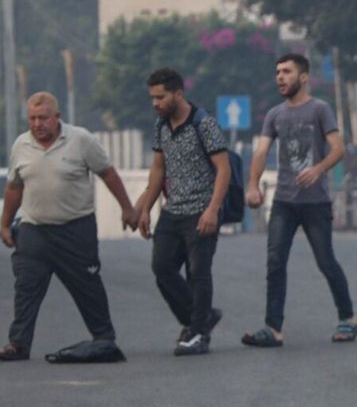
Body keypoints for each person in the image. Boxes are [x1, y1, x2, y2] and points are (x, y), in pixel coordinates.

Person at [0, 93, 137, 361]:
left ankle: (104, 338)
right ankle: (18, 344)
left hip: (76, 229)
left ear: (57, 117)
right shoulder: (21, 145)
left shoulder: (81, 140)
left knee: (87, 285)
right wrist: (5, 223)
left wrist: (128, 208)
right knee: (26, 287)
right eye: (32, 118)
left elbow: (107, 173)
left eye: (43, 118)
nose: (37, 124)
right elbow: (15, 187)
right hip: (34, 230)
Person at [241, 54, 357, 347]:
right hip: (284, 202)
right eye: (277, 72)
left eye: (287, 72)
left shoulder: (320, 109)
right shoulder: (275, 115)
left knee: (325, 261)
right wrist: (252, 186)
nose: (280, 77)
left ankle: (348, 319)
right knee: (275, 262)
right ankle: (273, 329)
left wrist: (318, 169)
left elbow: (338, 149)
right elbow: (260, 152)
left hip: (315, 203)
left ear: (303, 77)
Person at [134, 68, 231, 356]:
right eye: (152, 97)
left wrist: (213, 210)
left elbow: (223, 169)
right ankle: (199, 319)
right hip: (172, 211)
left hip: (201, 210)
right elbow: (158, 171)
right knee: (162, 268)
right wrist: (145, 209)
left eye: (160, 97)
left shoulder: (204, 124)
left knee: (198, 273)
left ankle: (198, 334)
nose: (155, 103)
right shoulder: (161, 125)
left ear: (178, 93)